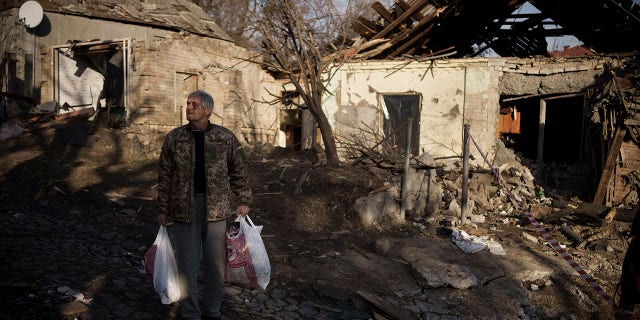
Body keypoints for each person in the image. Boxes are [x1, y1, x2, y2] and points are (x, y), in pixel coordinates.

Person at [157, 89, 251, 320]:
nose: (188, 107)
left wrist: (242, 200)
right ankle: (190, 313)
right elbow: (165, 175)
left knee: (215, 266)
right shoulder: (175, 138)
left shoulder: (225, 137)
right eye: (188, 103)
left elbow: (239, 170)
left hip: (217, 210)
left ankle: (212, 311)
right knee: (186, 266)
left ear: (207, 110)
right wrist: (162, 209)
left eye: (194, 104)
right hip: (183, 209)